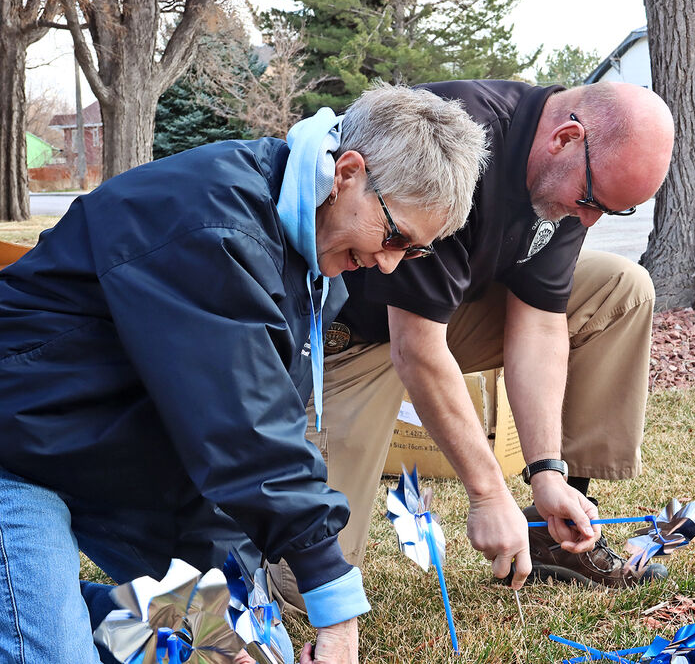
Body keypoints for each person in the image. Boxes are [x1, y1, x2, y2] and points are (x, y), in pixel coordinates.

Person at [0, 84, 487, 664]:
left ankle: (89, 616)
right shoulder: (215, 226)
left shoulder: (313, 274)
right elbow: (248, 437)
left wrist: (227, 607)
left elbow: (219, 456)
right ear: (349, 173)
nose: (387, 265)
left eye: (412, 253)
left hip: (102, 467)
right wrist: (333, 598)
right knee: (53, 653)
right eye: (394, 237)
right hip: (18, 451)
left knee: (247, 648)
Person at [268, 79, 675, 606]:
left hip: (439, 315)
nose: (590, 219)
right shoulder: (455, 142)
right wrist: (486, 492)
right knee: (308, 592)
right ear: (566, 138)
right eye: (593, 201)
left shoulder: (566, 186)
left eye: (610, 212)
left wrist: (546, 471)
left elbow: (540, 319)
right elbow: (415, 347)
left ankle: (555, 528)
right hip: (351, 337)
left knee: (620, 289)